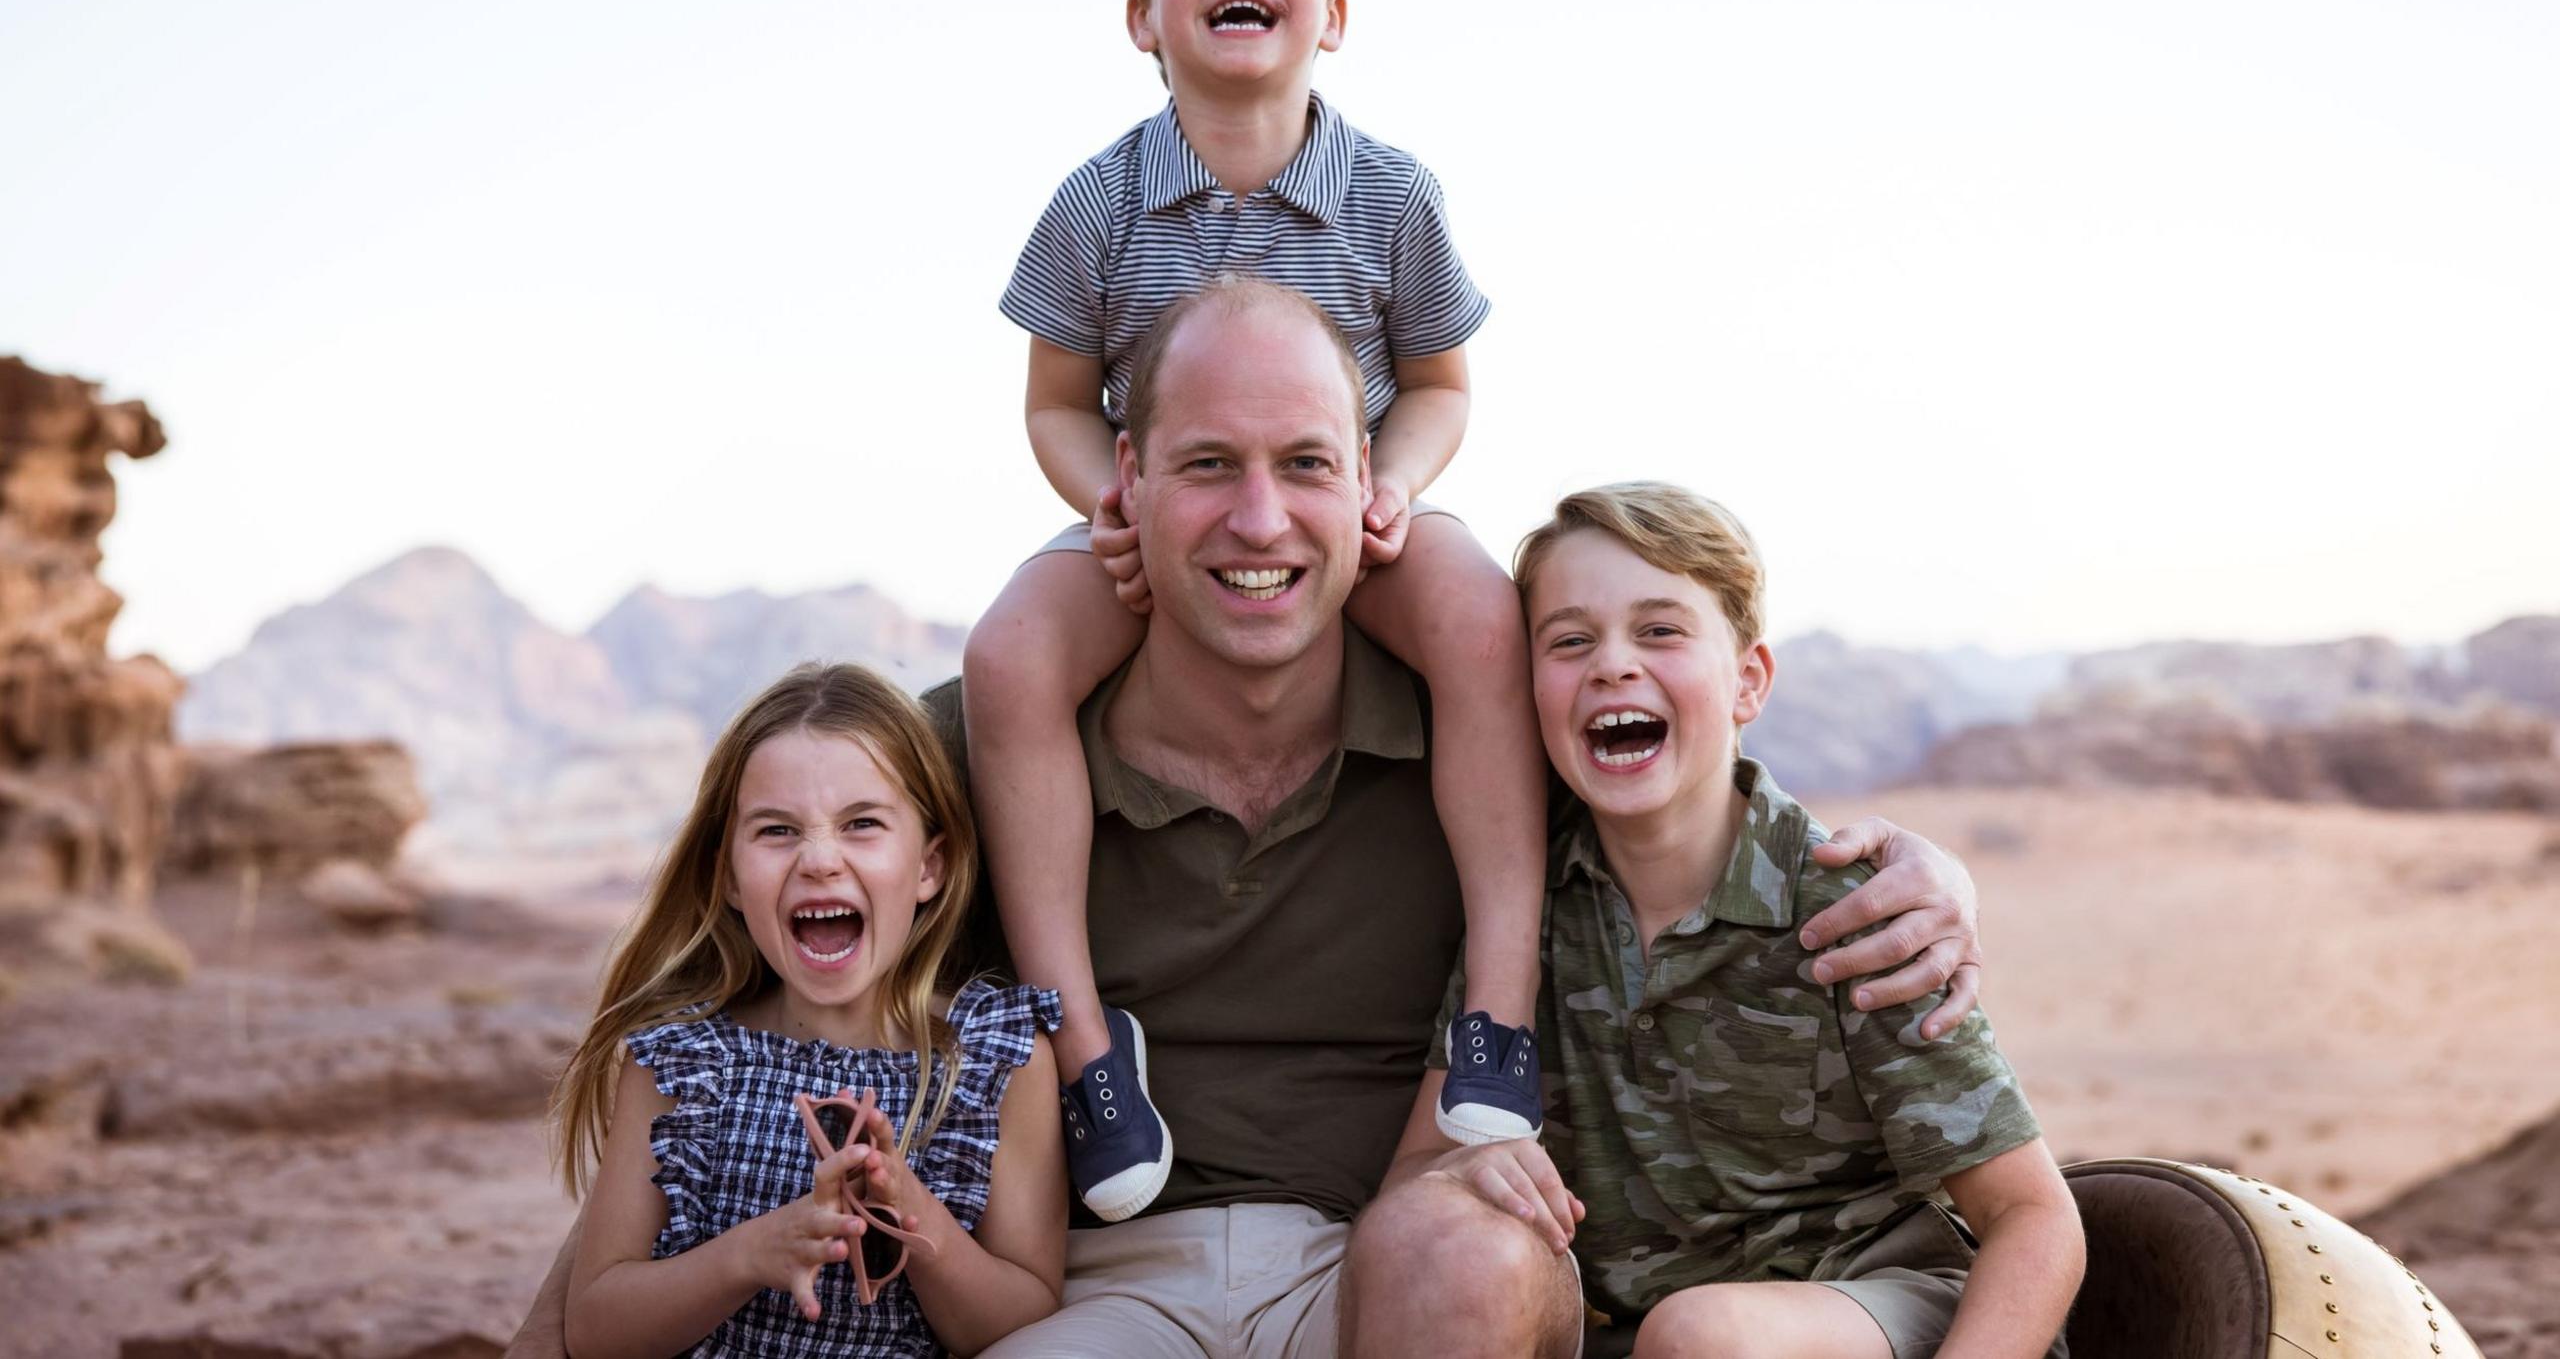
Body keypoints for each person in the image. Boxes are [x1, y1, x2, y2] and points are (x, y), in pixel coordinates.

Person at [507, 281, 1992, 1359]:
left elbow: (1687, 796)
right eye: (1208, 464)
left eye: (1305, 465)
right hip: (1099, 1282)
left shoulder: (1486, 744)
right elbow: (739, 1003)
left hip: (1396, 1264)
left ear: (1372, 493)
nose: (1261, 520)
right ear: (1125, 488)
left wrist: (1939, 869)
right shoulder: (979, 763)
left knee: (1467, 1247)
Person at [964, 0, 1551, 1222]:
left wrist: (1391, 481)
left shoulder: (1390, 194)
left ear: (1332, 13)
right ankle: (1088, 1049)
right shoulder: (1100, 201)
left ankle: (1503, 1010)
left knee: (1479, 611)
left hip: (1348, 511)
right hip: (1165, 522)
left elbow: (1442, 381)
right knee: (1006, 657)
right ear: (1141, 13)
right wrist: (1100, 498)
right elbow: (1052, 400)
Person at [1476, 484, 2083, 1358]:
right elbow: (1435, 1159)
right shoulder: (1521, 902)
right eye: (1570, 640)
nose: (1612, 664)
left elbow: (2033, 1216)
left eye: (1660, 630)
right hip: (1654, 1332)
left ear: (1749, 680)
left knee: (1702, 1333)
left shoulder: (1853, 912)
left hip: (1887, 1305)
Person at [544, 662, 1069, 1358]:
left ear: (928, 867)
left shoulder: (996, 1058)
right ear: (728, 875)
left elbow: (1020, 1322)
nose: (820, 858)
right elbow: (596, 1331)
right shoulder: (682, 1061)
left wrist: (903, 1205)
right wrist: (751, 1253)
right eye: (777, 830)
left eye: (862, 823)